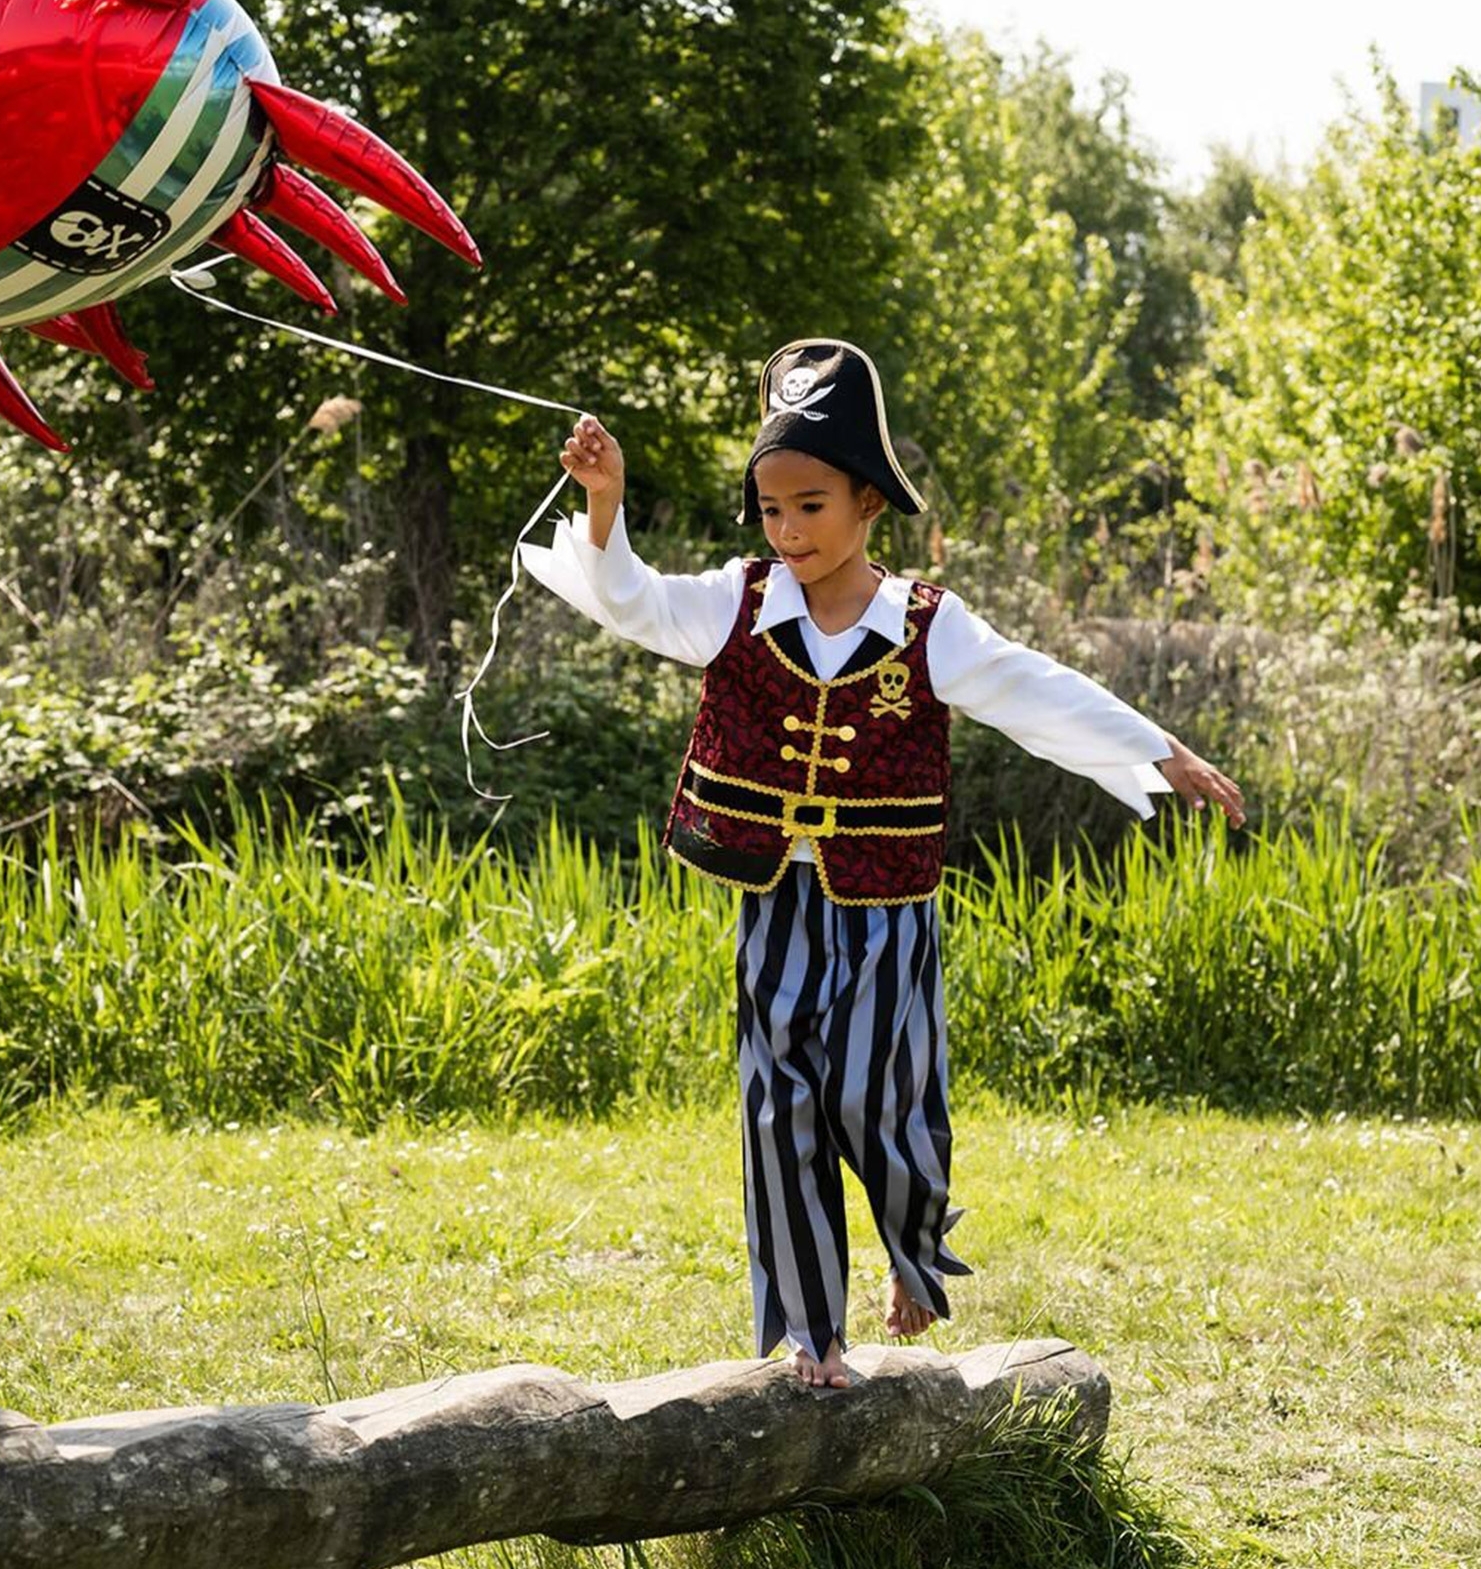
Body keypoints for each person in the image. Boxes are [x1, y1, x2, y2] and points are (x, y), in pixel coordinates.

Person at [518, 338, 1244, 1389]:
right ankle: (814, 1331)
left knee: (875, 1094)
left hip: (883, 903)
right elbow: (630, 597)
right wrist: (604, 497)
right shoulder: (734, 600)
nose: (787, 530)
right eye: (770, 509)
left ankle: (910, 1252)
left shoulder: (924, 624)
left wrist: (1155, 750)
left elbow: (1032, 688)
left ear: (866, 503)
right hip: (776, 892)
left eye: (809, 505)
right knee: (780, 1105)